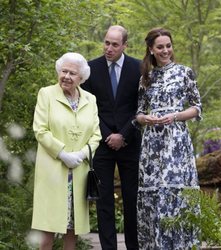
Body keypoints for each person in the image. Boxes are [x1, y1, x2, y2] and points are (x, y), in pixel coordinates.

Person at [135, 28, 202, 249]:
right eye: (160, 47)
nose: (165, 50)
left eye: (168, 46)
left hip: (176, 141)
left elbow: (197, 108)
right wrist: (147, 119)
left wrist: (175, 116)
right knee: (154, 193)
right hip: (152, 143)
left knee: (176, 191)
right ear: (151, 50)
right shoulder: (146, 77)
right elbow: (138, 113)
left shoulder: (185, 72)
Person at [31, 52, 101, 250]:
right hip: (53, 172)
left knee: (72, 230)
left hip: (78, 173)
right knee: (48, 230)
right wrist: (62, 154)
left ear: (81, 78)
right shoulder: (46, 94)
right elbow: (40, 130)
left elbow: (96, 135)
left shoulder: (90, 99)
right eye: (64, 71)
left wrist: (81, 154)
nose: (67, 76)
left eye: (72, 73)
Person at [82, 25, 141, 250]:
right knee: (104, 201)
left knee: (132, 199)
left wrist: (124, 134)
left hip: (131, 142)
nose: (109, 48)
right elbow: (89, 108)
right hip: (102, 144)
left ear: (125, 45)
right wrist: (109, 136)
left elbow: (141, 106)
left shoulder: (138, 68)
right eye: (107, 42)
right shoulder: (90, 68)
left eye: (115, 44)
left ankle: (133, 246)